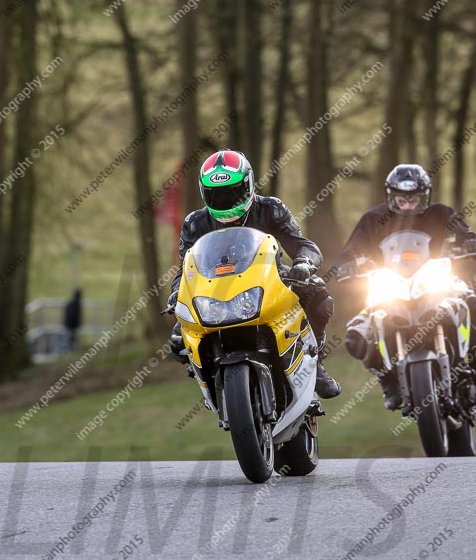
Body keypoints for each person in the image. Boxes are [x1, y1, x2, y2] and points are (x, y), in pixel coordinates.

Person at [167, 149, 341, 399]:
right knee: (178, 334)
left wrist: (303, 263)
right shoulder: (195, 224)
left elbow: (303, 245)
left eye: (232, 193)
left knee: (317, 293)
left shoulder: (271, 209)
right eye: (217, 195)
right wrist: (176, 293)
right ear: (204, 193)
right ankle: (208, 380)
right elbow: (184, 269)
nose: (226, 202)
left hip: (269, 283)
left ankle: (316, 365)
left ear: (248, 184)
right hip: (214, 294)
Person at [336, 163, 476, 409]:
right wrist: (348, 265)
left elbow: (466, 235)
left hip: (439, 283)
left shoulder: (441, 214)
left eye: (414, 199)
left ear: (426, 196)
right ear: (391, 196)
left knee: (472, 303)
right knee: (356, 336)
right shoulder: (373, 220)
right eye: (402, 199)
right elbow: (351, 251)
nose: (408, 205)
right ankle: (389, 382)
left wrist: (468, 244)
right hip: (390, 286)